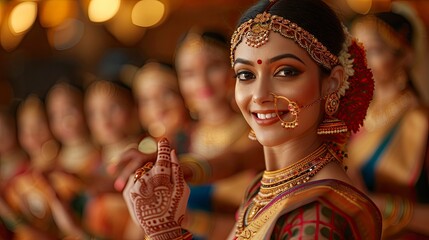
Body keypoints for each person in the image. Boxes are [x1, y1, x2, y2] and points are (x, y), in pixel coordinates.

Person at [123, 0, 383, 239]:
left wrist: (165, 231)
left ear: (332, 82)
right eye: (246, 75)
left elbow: (237, 158)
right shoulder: (262, 188)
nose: (259, 96)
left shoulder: (320, 213)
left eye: (285, 71)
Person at [348, 9, 429, 238]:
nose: (359, 61)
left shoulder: (421, 122)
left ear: (404, 56)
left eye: (372, 50)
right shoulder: (357, 115)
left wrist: (378, 203)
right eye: (355, 50)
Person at [83, 79, 144, 239]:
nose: (104, 119)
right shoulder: (92, 164)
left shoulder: (144, 154)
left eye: (113, 107)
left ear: (132, 108)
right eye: (94, 112)